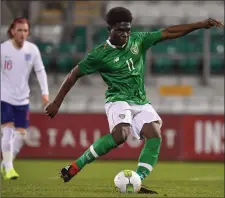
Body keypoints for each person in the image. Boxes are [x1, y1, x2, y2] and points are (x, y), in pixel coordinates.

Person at [45, 7, 223, 193]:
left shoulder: (138, 40)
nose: (125, 34)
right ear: (110, 30)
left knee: (155, 135)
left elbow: (169, 32)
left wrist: (200, 25)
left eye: (128, 29)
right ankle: (75, 166)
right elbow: (73, 75)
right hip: (117, 99)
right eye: (120, 30)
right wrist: (57, 102)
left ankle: (137, 180)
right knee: (121, 134)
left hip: (140, 100)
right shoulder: (99, 54)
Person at [1, 17, 49, 180]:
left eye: (25, 30)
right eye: (19, 30)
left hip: (22, 99)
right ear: (12, 31)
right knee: (7, 131)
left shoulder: (32, 50)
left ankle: (5, 164)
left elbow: (40, 70)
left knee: (21, 135)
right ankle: (8, 168)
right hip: (5, 97)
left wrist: (45, 92)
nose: (22, 33)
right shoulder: (3, 50)